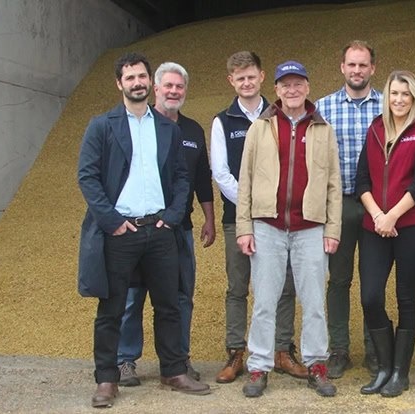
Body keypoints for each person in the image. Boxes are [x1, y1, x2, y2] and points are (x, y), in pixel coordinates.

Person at [77, 52, 210, 408]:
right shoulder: (102, 126)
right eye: (129, 77)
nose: (136, 83)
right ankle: (107, 379)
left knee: (168, 305)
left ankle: (173, 371)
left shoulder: (167, 128)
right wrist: (111, 221)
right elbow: (87, 177)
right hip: (120, 233)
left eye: (141, 77)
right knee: (112, 310)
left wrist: (173, 215)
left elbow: (182, 177)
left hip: (160, 231)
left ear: (150, 82)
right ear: (119, 83)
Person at [236, 60, 342, 398]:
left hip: (310, 228)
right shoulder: (260, 127)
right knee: (265, 302)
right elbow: (245, 179)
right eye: (285, 84)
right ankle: (259, 366)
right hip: (267, 226)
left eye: (298, 84)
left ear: (307, 87)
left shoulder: (323, 129)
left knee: (314, 303)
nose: (292, 90)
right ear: (277, 89)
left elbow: (334, 184)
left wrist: (332, 229)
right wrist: (244, 227)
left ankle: (317, 365)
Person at [115, 61, 216, 387]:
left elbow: (201, 178)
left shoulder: (192, 130)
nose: (174, 91)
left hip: (179, 229)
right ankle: (125, 360)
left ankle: (177, 360)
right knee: (133, 296)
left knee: (181, 296)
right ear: (155, 88)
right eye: (168, 86)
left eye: (179, 86)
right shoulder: (140, 126)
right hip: (139, 228)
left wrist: (209, 218)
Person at [211, 51, 307, 384]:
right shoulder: (222, 121)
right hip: (236, 218)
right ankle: (237, 352)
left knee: (284, 286)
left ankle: (282, 350)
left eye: (251, 76)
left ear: (262, 77)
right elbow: (220, 172)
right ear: (231, 81)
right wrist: (250, 204)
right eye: (240, 78)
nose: (247, 82)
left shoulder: (283, 115)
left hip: (279, 219)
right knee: (238, 287)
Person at [356, 70, 415, 398]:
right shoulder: (376, 128)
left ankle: (399, 373)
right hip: (374, 226)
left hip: (412, 226)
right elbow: (362, 179)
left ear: (414, 97)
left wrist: (392, 215)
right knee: (370, 297)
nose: (399, 99)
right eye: (394, 93)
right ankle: (384, 367)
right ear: (386, 96)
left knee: (406, 296)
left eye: (406, 94)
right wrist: (378, 215)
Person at [315, 40, 383, 378]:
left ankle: (374, 348)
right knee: (339, 279)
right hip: (338, 205)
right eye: (351, 64)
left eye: (363, 65)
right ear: (342, 67)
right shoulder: (323, 107)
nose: (357, 70)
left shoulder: (389, 105)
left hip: (377, 206)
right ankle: (339, 349)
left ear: (373, 68)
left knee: (373, 280)